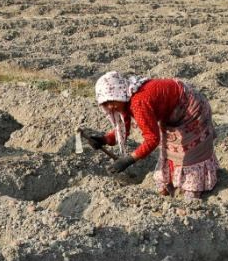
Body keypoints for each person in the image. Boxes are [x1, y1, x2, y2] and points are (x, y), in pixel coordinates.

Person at [87, 72, 219, 199]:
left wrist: (129, 160)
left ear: (119, 94)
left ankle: (192, 189)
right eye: (105, 104)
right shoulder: (127, 97)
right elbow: (123, 127)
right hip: (173, 110)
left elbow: (152, 139)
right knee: (170, 149)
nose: (110, 107)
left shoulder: (138, 102)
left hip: (192, 109)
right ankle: (170, 185)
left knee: (189, 152)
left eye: (111, 101)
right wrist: (104, 139)